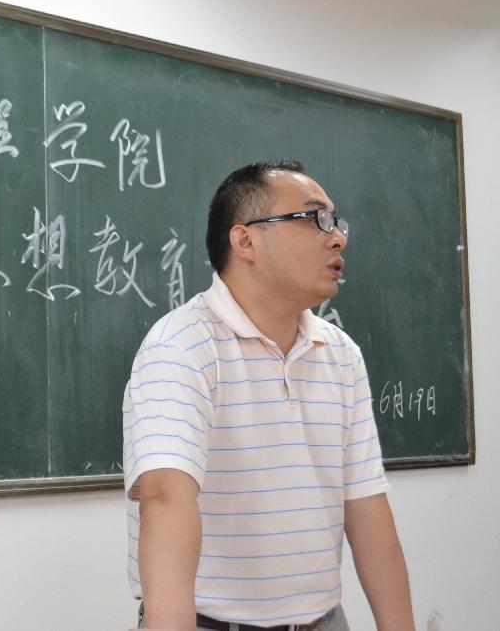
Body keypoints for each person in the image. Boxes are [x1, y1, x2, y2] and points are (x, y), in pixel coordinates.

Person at [123, 161, 415, 631]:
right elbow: (165, 498)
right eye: (315, 218)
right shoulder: (180, 347)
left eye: (336, 222)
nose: (337, 238)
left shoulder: (340, 354)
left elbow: (366, 508)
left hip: (324, 622)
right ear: (246, 241)